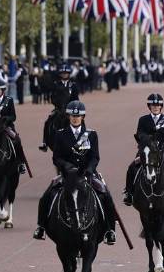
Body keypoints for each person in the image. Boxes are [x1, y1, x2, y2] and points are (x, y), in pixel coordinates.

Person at [33, 100, 117, 245]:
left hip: (87, 174)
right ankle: (41, 227)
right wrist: (66, 166)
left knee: (106, 196)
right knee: (46, 196)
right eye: (72, 116)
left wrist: (89, 170)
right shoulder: (60, 135)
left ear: (83, 117)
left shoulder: (91, 135)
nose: (75, 118)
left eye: (78, 116)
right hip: (67, 175)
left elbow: (95, 157)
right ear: (68, 117)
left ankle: (110, 230)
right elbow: (56, 157)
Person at [42, 64, 80, 151]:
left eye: (66, 73)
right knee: (47, 122)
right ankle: (45, 143)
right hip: (59, 108)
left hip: (70, 109)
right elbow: (52, 98)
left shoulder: (73, 85)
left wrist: (72, 107)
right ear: (60, 74)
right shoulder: (56, 84)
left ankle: (81, 142)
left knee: (81, 122)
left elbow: (76, 99)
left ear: (69, 74)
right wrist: (57, 105)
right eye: (63, 73)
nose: (64, 74)